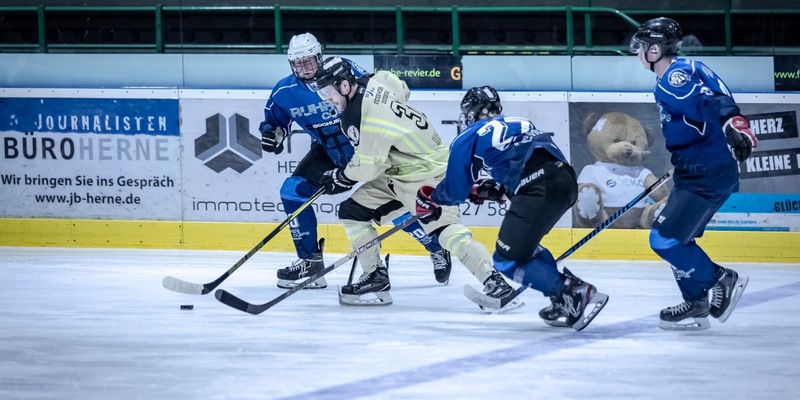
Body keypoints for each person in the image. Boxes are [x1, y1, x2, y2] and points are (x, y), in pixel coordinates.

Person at [312, 57, 523, 310]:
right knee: (352, 211)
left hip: (429, 174)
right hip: (398, 173)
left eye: (328, 93)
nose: (327, 99)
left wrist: (341, 176)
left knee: (446, 231)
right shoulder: (378, 81)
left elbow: (368, 167)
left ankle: (495, 283)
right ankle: (375, 276)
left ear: (345, 86)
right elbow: (402, 88)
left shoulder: (365, 118)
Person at [259, 33, 451, 290]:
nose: (305, 68)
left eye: (309, 61)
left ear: (320, 56)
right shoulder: (284, 91)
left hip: (367, 151)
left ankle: (435, 246)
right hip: (328, 153)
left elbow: (372, 95)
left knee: (393, 208)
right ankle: (310, 261)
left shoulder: (340, 71)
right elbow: (275, 122)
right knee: (292, 192)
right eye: (299, 63)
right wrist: (273, 135)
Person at [416, 86, 609, 331]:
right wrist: (492, 188)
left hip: (537, 188)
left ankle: (571, 292)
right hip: (566, 182)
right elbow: (527, 160)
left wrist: (431, 199)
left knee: (507, 259)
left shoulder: (468, 135)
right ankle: (562, 298)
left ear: (471, 113)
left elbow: (454, 189)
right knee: (525, 248)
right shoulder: (521, 122)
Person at [630, 17, 755, 330]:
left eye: (642, 47)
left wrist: (732, 123)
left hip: (707, 173)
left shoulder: (674, 78)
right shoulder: (682, 70)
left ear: (656, 50)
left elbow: (711, 101)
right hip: (696, 170)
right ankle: (697, 302)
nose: (638, 53)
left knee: (664, 240)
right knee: (678, 240)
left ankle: (721, 279)